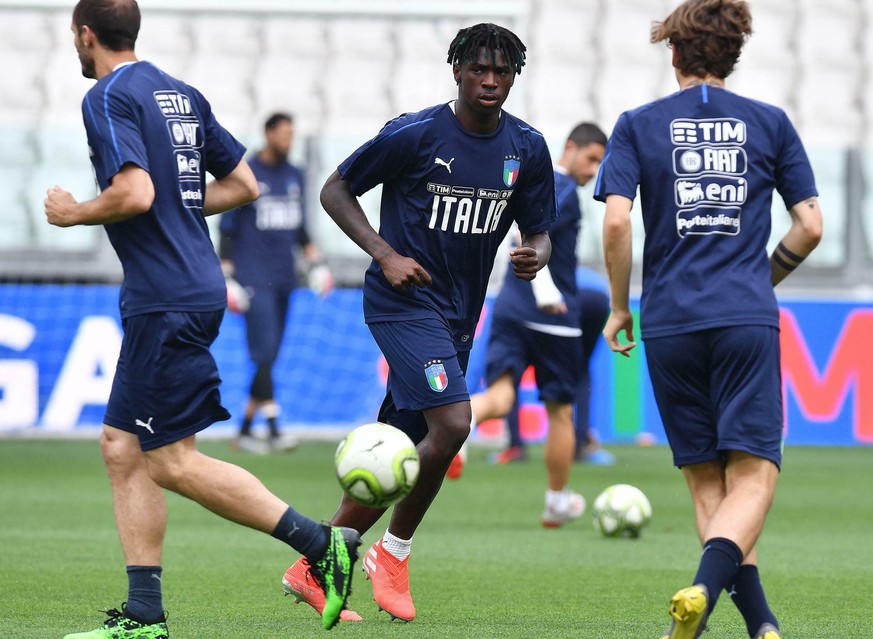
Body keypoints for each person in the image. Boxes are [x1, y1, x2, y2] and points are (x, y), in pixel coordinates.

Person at [44, 2, 359, 636]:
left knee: (170, 460)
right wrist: (181, 209)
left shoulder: (107, 96)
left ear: (85, 35)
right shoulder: (179, 93)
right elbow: (244, 185)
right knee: (122, 448)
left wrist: (74, 211)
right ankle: (144, 614)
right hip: (182, 289)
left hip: (167, 297)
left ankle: (322, 544)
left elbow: (134, 192)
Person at [281, 22, 555, 622]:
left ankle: (313, 564)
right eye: (478, 68)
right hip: (401, 302)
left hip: (461, 312)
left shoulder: (527, 147)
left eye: (501, 71)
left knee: (402, 447)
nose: (489, 80)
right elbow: (335, 190)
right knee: (455, 423)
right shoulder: (415, 133)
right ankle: (393, 553)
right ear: (455, 69)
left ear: (514, 77)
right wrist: (384, 254)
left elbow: (538, 227)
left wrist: (537, 253)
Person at [595, 1, 822, 638]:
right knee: (754, 478)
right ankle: (702, 587)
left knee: (707, 486)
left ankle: (762, 626)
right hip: (744, 318)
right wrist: (762, 276)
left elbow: (615, 220)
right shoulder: (770, 123)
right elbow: (811, 226)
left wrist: (620, 306)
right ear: (734, 54)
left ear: (674, 55)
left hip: (668, 320)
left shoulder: (637, 125)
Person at [451, 123, 606, 528]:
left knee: (500, 396)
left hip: (510, 308)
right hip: (554, 316)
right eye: (591, 159)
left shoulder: (525, 182)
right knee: (560, 411)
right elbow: (528, 239)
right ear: (569, 148)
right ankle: (556, 501)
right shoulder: (564, 188)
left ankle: (459, 434)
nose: (592, 170)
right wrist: (546, 294)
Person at [219, 112, 333, 455]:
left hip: (285, 279)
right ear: (268, 133)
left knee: (269, 356)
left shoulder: (294, 175)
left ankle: (243, 432)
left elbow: (300, 229)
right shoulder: (246, 173)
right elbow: (227, 229)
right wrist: (227, 278)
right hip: (253, 278)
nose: (289, 140)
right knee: (264, 351)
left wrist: (317, 265)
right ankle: (272, 427)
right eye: (284, 134)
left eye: (292, 135)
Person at [489, 266, 613, 466]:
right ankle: (580, 443)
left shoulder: (521, 273)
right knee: (579, 370)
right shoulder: (564, 252)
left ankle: (515, 447)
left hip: (556, 298)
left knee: (508, 377)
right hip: (598, 296)